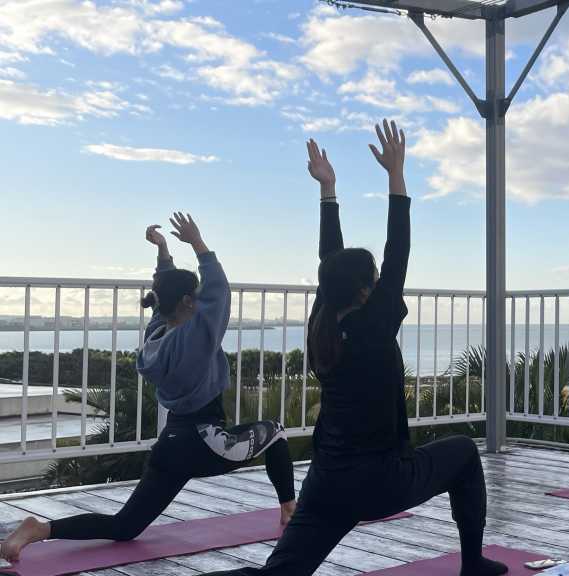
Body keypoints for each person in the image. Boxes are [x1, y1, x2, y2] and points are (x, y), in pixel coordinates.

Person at [202, 120, 507, 576]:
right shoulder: (371, 328)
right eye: (376, 280)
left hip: (326, 481)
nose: (383, 283)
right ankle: (472, 564)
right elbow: (397, 249)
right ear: (366, 291)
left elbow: (331, 260)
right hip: (380, 482)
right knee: (464, 451)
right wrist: (396, 175)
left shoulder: (321, 323)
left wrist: (328, 191)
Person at [0, 213, 296, 563]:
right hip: (206, 443)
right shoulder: (196, 337)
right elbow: (219, 291)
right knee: (276, 432)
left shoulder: (155, 336)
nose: (201, 299)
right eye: (196, 295)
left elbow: (164, 296)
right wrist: (197, 243)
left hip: (172, 444)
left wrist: (164, 252)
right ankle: (289, 510)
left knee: (125, 526)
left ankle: (40, 529)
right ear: (188, 302)